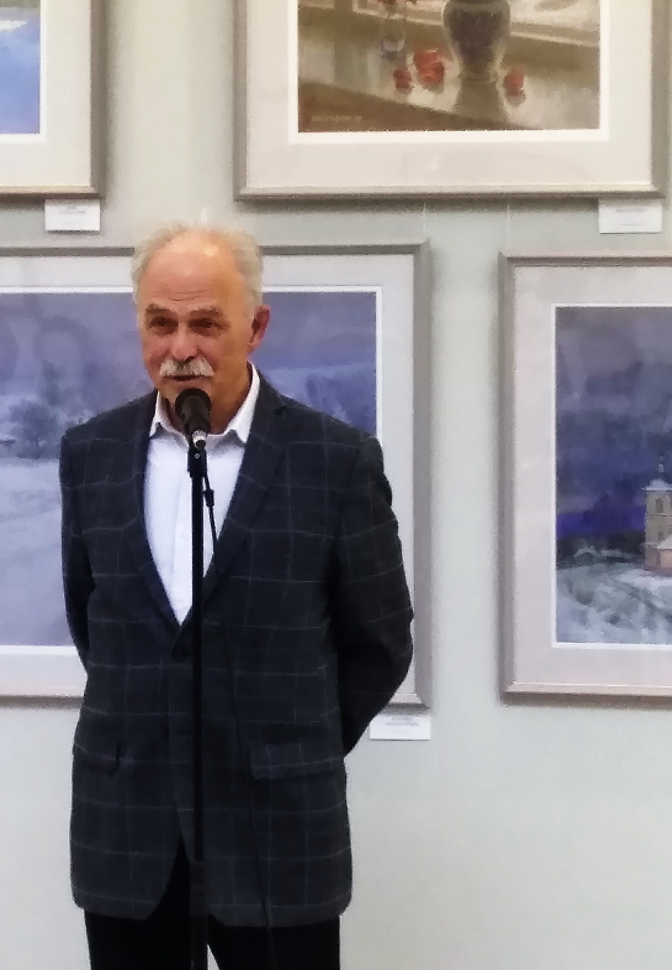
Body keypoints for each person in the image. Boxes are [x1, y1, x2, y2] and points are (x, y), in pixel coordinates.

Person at [59, 225, 413, 970]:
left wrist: (289, 745)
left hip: (278, 831)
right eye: (160, 323)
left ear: (256, 327)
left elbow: (379, 645)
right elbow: (95, 622)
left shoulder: (335, 462)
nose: (180, 347)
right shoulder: (89, 455)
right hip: (128, 830)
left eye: (205, 324)